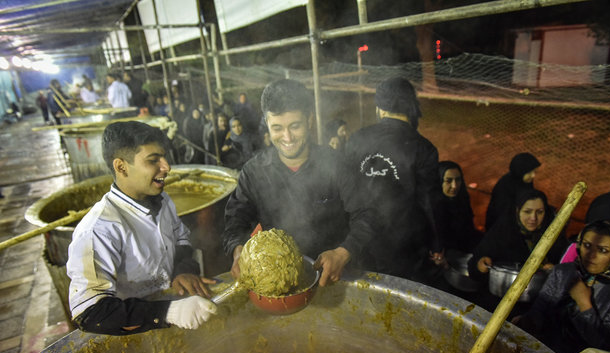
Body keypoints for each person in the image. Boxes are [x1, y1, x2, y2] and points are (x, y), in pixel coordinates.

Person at [66, 121, 218, 335]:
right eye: (153, 160)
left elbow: (181, 239)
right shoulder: (99, 229)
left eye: (164, 157)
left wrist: (182, 270)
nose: (167, 167)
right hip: (133, 336)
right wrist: (169, 312)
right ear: (121, 167)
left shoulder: (162, 200)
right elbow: (90, 313)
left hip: (177, 321)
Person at [222, 79, 375, 286]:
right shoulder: (254, 172)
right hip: (281, 284)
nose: (287, 137)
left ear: (309, 120)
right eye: (277, 127)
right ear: (267, 124)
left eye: (295, 126)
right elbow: (235, 220)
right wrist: (237, 250)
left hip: (336, 278)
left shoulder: (337, 164)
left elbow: (367, 214)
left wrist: (342, 253)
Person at [344, 76, 444, 280]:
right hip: (406, 247)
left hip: (362, 242)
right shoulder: (424, 148)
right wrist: (437, 243)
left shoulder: (356, 139)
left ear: (379, 108)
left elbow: (346, 191)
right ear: (411, 106)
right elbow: (430, 203)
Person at [514, 220, 610, 353]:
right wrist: (526, 321)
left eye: (602, 250)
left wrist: (585, 305)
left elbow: (606, 348)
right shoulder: (563, 272)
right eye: (586, 245)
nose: (591, 255)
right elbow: (539, 310)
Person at [467, 188, 568, 311]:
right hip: (495, 304)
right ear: (517, 211)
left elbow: (565, 271)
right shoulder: (502, 232)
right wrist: (480, 265)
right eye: (527, 211)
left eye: (539, 212)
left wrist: (554, 270)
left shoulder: (553, 237)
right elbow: (473, 266)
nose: (533, 218)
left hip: (532, 309)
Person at [485, 152, 541, 231]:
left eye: (534, 172)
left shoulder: (525, 181)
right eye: (529, 172)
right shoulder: (504, 187)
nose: (533, 175)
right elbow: (503, 215)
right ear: (520, 172)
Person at [437, 161, 483, 254]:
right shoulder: (431, 207)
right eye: (448, 181)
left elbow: (468, 230)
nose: (454, 186)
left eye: (458, 180)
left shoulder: (462, 197)